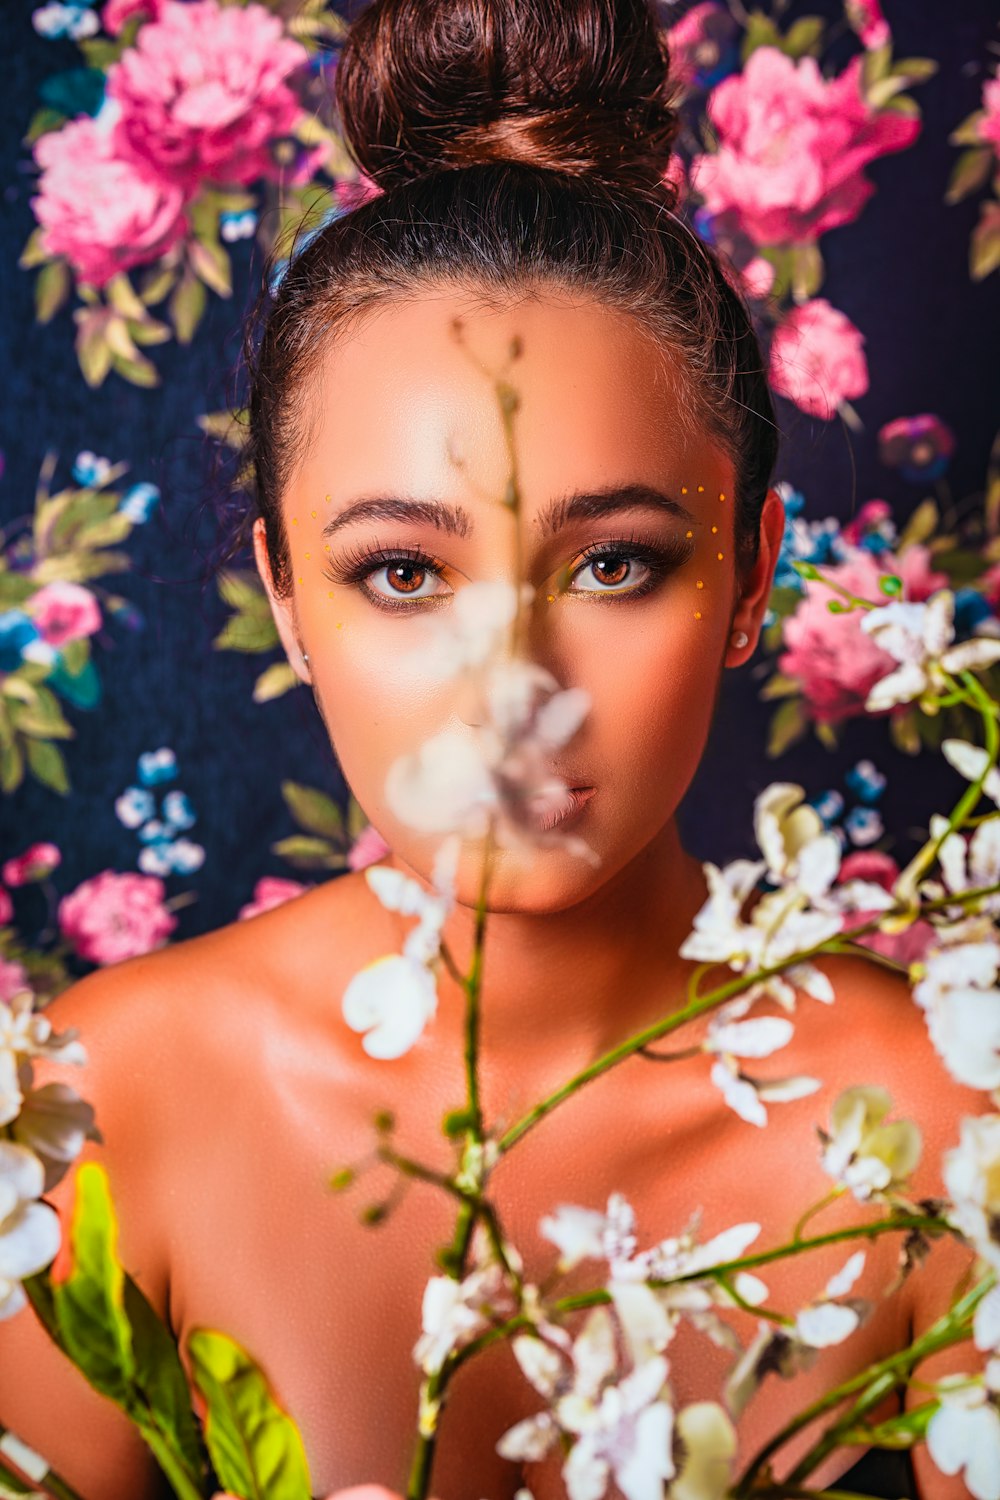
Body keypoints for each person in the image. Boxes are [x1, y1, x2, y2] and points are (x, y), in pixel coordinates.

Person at [0, 1, 982, 1497]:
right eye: (404, 572)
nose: (514, 688)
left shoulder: (948, 1131)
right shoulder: (92, 1118)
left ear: (752, 573)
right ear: (286, 593)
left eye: (615, 564)